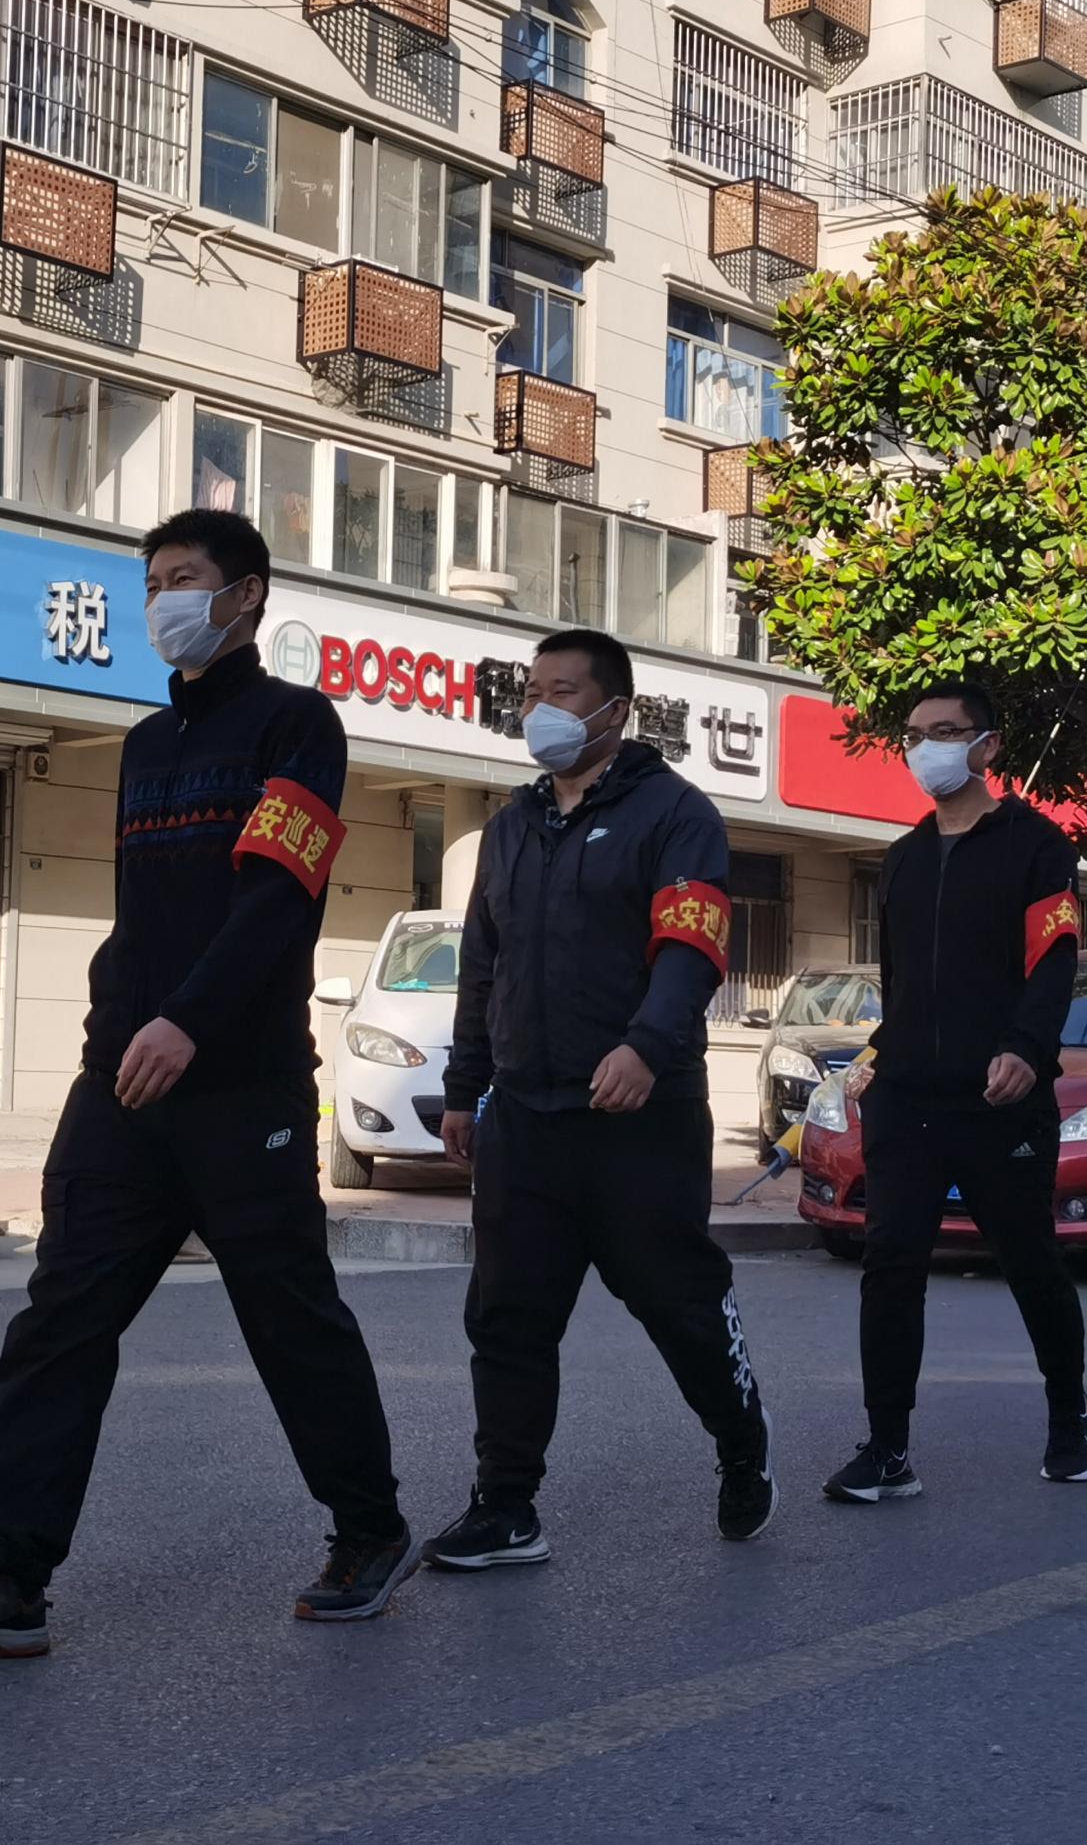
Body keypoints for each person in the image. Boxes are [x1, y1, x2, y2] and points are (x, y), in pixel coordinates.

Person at [0, 508, 413, 1657]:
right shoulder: (144, 745)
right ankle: (9, 1575)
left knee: (288, 1317)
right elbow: (145, 920)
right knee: (61, 1316)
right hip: (125, 1082)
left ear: (246, 594)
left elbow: (274, 901)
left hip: (242, 1085)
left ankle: (369, 1530)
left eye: (184, 578)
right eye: (151, 583)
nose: (162, 602)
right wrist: (117, 1034)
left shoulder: (297, 724)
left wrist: (189, 1020)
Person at [425, 631, 773, 1571]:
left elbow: (691, 947)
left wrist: (646, 1046)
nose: (540, 708)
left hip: (639, 1118)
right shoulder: (511, 826)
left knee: (677, 1305)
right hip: (525, 1117)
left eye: (563, 691)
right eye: (532, 691)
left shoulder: (678, 815)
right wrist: (464, 1088)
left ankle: (741, 1443)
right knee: (507, 1317)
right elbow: (483, 966)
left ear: (616, 710)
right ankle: (506, 1506)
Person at [827, 679, 1087, 1502]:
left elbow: (1053, 962)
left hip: (1000, 1097)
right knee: (890, 1266)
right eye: (915, 735)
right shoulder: (902, 859)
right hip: (908, 1098)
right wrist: (880, 1054)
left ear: (987, 746)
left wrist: (1026, 1048)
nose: (926, 749)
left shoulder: (1037, 847)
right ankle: (888, 1449)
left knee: (1029, 1260)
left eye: (945, 732)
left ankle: (1068, 1416)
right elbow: (902, 983)